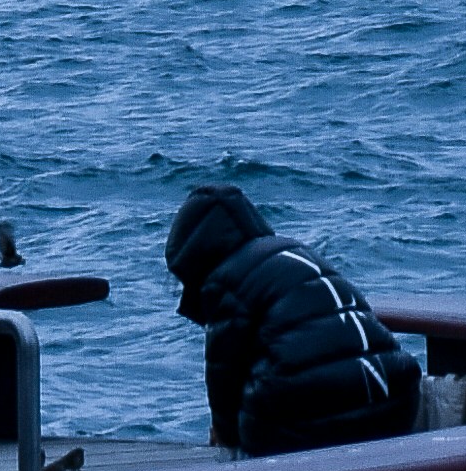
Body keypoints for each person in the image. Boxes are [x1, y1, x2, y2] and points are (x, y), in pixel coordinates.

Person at [161, 179, 417, 455]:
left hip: (310, 417)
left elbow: (223, 373)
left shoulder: (225, 280)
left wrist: (224, 436)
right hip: (396, 401)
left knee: (253, 418)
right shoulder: (295, 252)